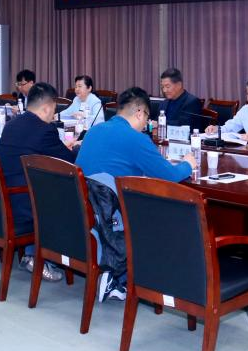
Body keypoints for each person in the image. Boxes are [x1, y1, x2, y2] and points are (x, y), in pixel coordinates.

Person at [77, 86, 198, 300]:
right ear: (140, 113)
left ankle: (116, 276)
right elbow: (169, 176)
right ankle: (144, 280)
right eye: (147, 119)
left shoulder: (94, 130)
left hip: (87, 211)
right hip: (115, 216)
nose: (146, 125)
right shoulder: (136, 139)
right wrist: (188, 164)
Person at [0, 82, 78, 283]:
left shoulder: (12, 124)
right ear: (48, 107)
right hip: (26, 202)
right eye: (54, 109)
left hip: (5, 196)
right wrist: (73, 149)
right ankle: (41, 257)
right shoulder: (45, 130)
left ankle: (33, 254)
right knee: (73, 195)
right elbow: (69, 162)